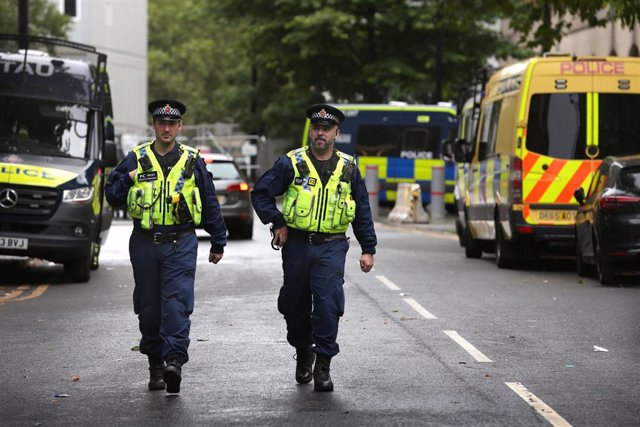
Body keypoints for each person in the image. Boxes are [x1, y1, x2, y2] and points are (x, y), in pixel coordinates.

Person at [251, 103, 377, 392]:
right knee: (294, 306)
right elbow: (261, 193)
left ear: (336, 133)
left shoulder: (348, 167)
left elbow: (362, 210)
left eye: (326, 129)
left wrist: (368, 247)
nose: (320, 133)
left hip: (331, 247)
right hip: (296, 245)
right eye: (316, 128)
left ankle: (323, 364)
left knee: (328, 305)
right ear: (311, 131)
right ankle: (303, 350)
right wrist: (278, 222)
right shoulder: (291, 163)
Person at [105, 99, 227, 394]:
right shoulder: (136, 158)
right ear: (154, 126)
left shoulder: (192, 160)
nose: (167, 128)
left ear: (180, 126)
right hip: (145, 242)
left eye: (172, 123)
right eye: (162, 123)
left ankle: (173, 361)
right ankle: (155, 364)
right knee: (148, 308)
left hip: (181, 241)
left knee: (176, 303)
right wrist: (129, 178)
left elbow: (209, 200)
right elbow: (111, 194)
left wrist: (218, 240)